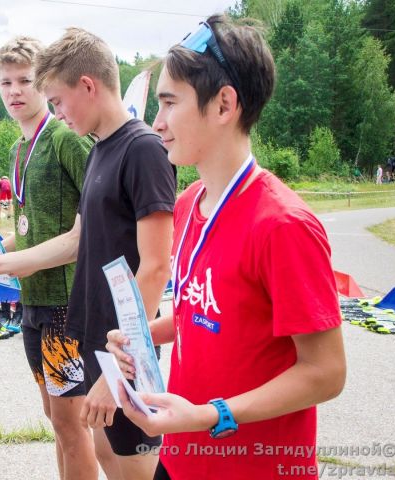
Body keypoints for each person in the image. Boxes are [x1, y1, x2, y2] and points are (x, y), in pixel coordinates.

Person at [106, 15, 346, 480]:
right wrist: (144, 336)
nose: (156, 123)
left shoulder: (284, 225)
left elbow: (326, 372)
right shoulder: (188, 204)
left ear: (223, 105)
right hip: (179, 456)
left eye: (170, 103)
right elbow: (207, 313)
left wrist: (209, 414)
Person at [0, 28, 176, 480]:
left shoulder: (140, 148)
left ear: (87, 85)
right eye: (7, 83)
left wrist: (121, 369)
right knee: (105, 454)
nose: (58, 111)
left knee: (134, 467)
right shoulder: (103, 148)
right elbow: (76, 238)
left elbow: (156, 264)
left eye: (57, 98)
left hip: (117, 343)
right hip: (91, 333)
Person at [0, 36, 96, 479]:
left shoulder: (65, 139)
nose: (15, 91)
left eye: (25, 81)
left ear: (46, 83)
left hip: (66, 305)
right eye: (5, 82)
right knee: (56, 423)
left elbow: (98, 220)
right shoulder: (18, 150)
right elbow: (30, 231)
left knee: (72, 427)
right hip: (32, 300)